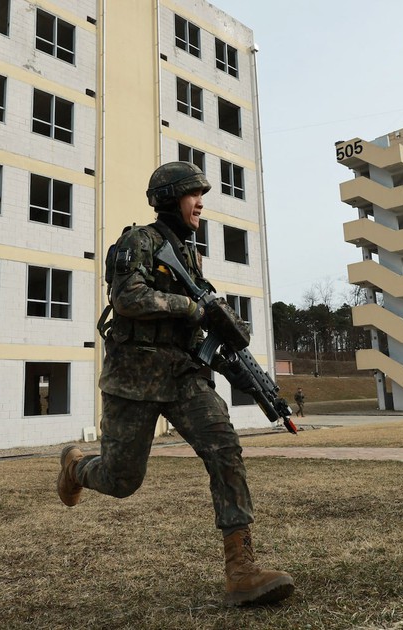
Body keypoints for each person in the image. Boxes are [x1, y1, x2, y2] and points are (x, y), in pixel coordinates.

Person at [56, 161, 294, 607]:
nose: (200, 204)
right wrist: (194, 308)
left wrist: (225, 349)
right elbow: (127, 298)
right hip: (134, 379)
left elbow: (197, 319)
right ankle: (76, 468)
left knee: (224, 448)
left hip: (184, 374)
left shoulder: (190, 255)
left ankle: (241, 569)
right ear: (170, 199)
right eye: (193, 195)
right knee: (122, 480)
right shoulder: (137, 242)